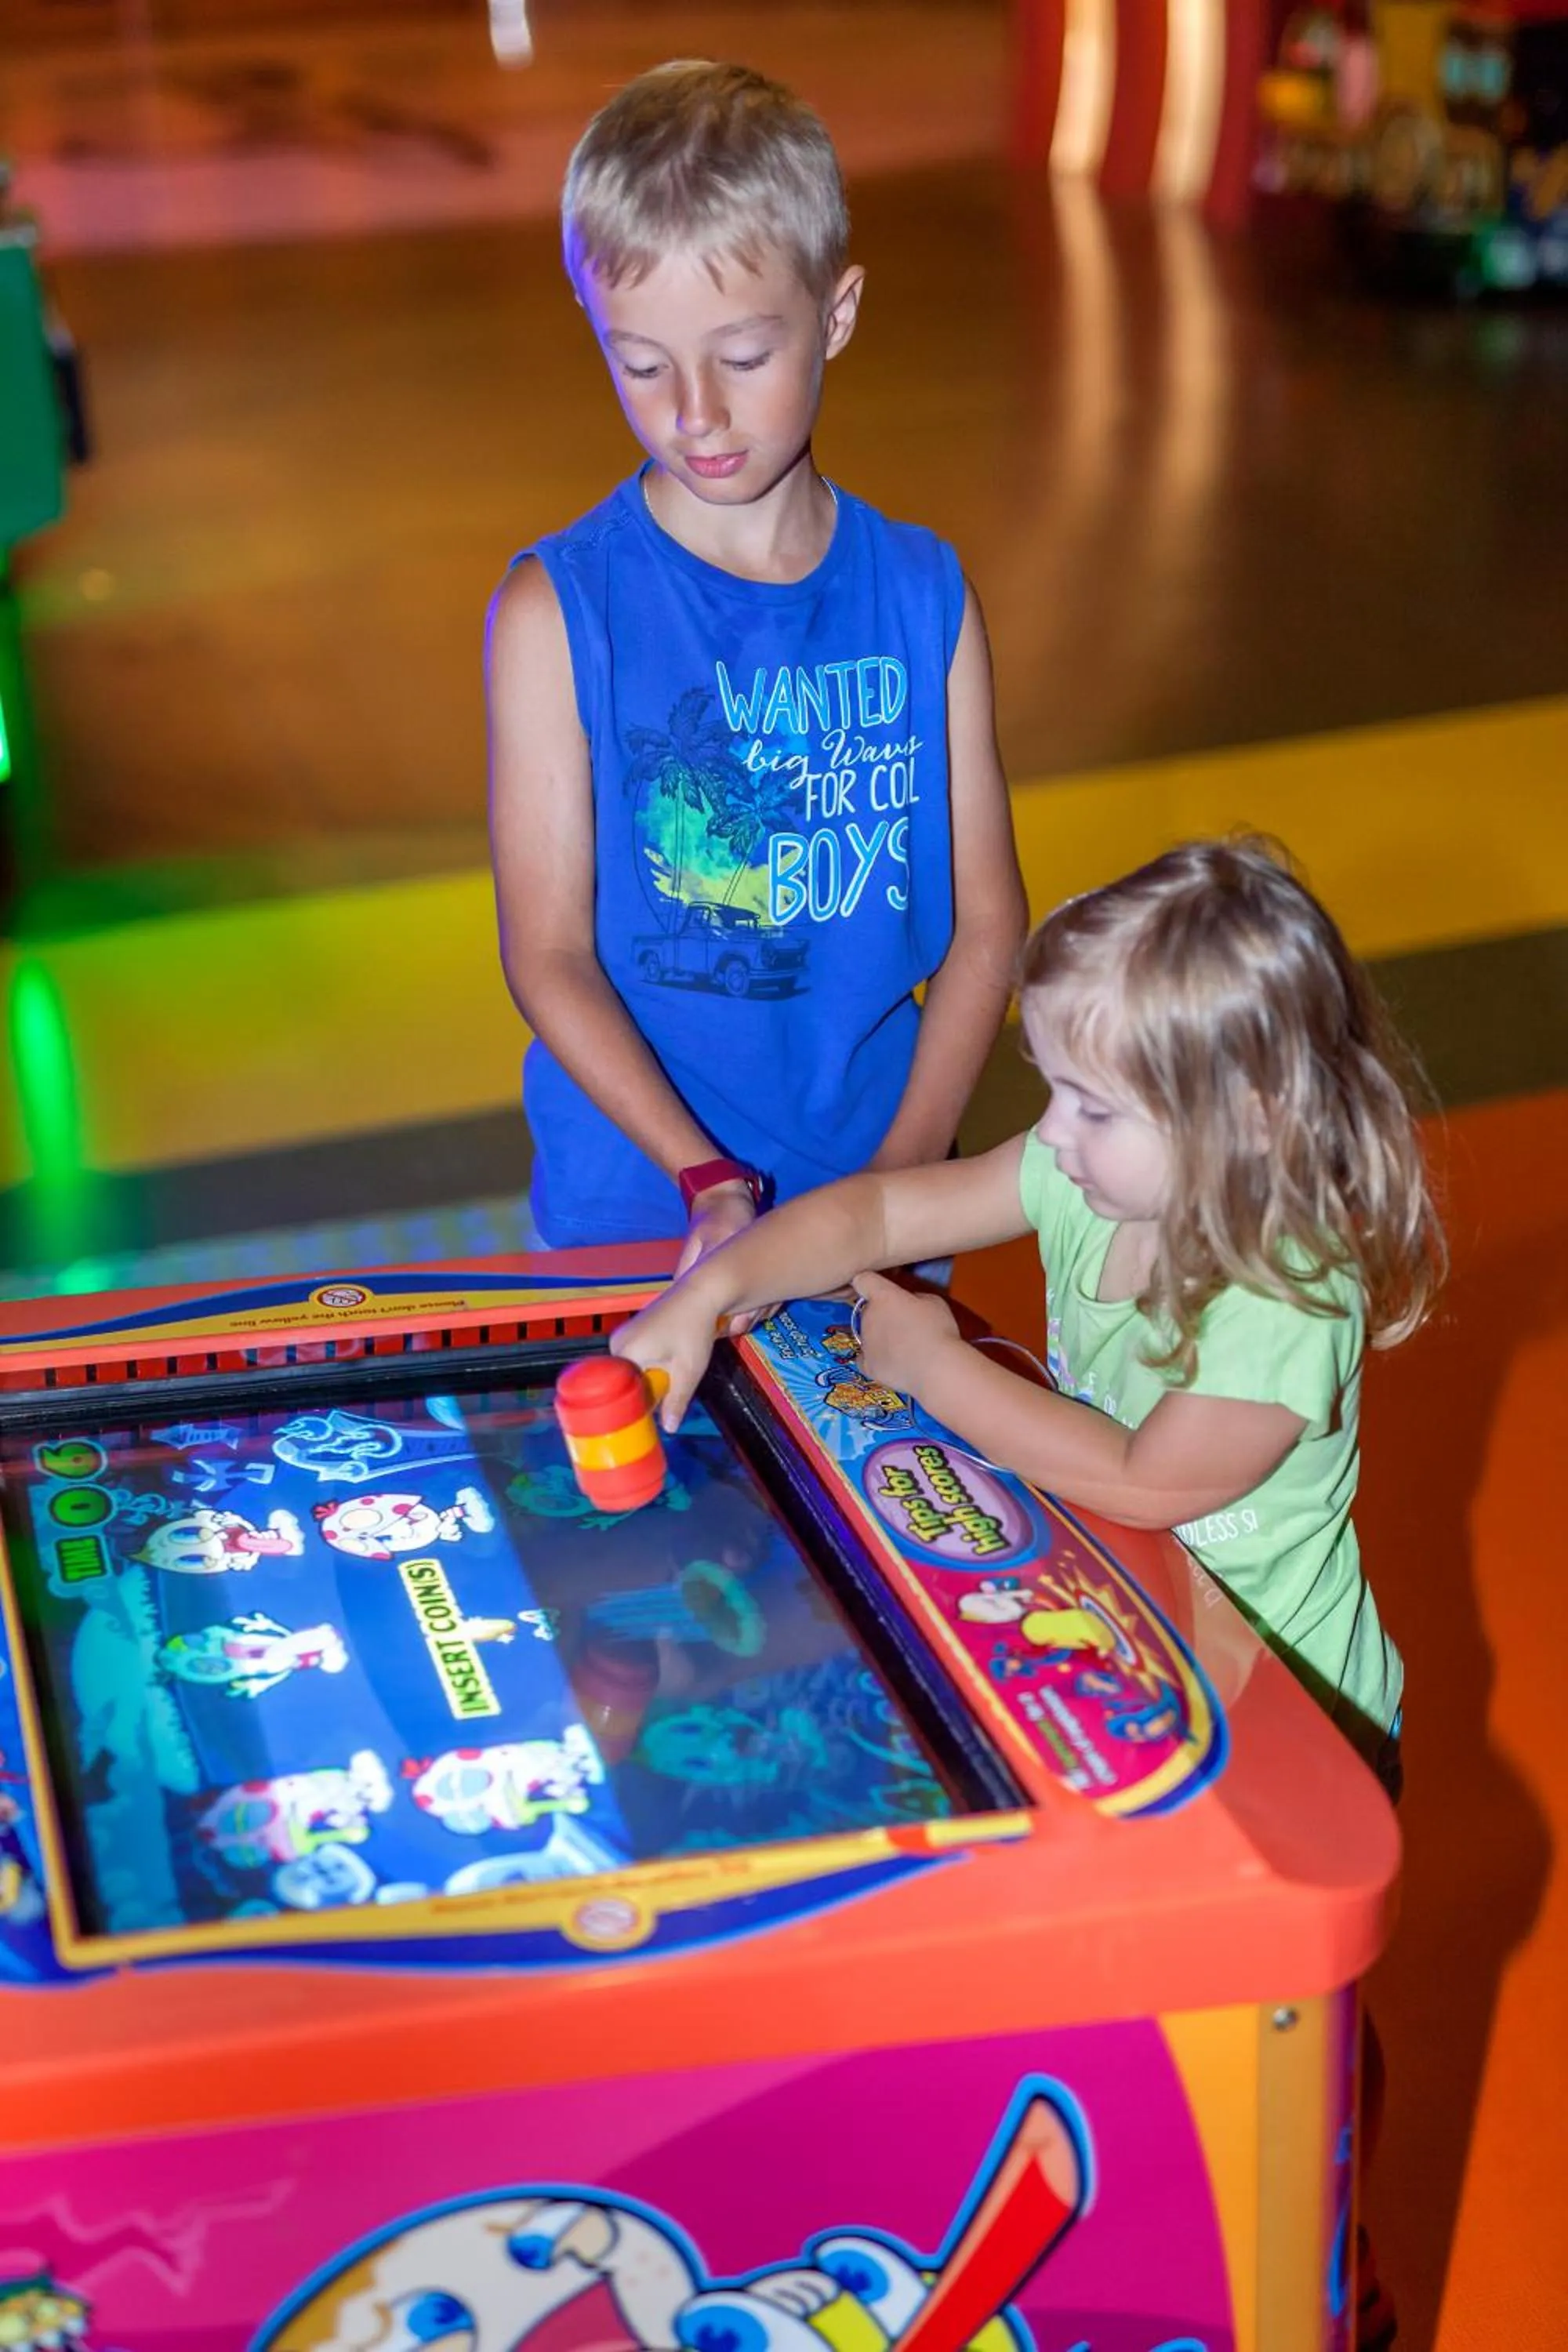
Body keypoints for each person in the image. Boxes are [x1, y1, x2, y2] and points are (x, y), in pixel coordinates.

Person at [617, 834, 1440, 2352]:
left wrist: (933, 1366)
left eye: (1092, 1106)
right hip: (1134, 1649)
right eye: (1052, 1090)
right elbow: (876, 1216)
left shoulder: (1289, 1284)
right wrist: (708, 1294)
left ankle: (1340, 2276)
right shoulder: (1083, 1179)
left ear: (1241, 1115)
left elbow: (1148, 1476)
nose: (1051, 1136)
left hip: (1288, 1723)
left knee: (1306, 2030)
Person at [486, 60, 1027, 1277]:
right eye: (641, 364)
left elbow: (988, 926)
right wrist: (704, 1176)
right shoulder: (553, 615)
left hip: (882, 1205)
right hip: (642, 1216)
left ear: (835, 316)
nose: (695, 414)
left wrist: (891, 1195)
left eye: (740, 356)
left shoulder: (924, 595)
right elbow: (548, 955)